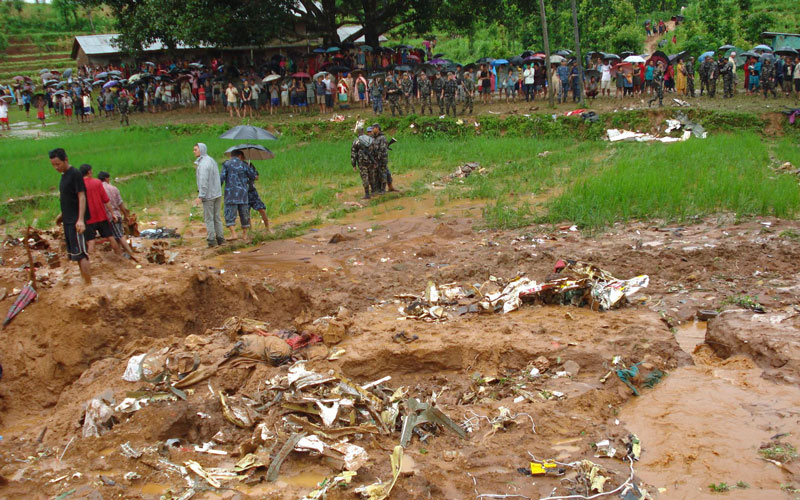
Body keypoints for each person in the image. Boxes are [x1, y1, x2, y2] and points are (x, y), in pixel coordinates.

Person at [50, 148, 91, 284]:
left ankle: (89, 284)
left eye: (58, 164)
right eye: (53, 165)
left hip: (75, 220)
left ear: (66, 160)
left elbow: (81, 196)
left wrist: (80, 219)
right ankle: (84, 280)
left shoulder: (75, 174)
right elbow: (69, 198)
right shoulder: (64, 175)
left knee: (81, 253)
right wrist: (61, 215)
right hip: (68, 219)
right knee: (76, 254)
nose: (56, 167)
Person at [79, 164, 122, 256]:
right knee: (111, 237)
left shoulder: (79, 185)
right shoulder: (97, 182)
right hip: (101, 216)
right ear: (89, 172)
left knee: (91, 241)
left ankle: (94, 261)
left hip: (88, 218)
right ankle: (120, 257)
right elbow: (106, 200)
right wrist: (112, 213)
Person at [97, 171, 138, 260]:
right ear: (106, 178)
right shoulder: (114, 188)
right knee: (118, 235)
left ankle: (128, 253)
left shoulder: (99, 189)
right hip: (116, 215)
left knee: (118, 236)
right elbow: (120, 204)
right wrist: (126, 214)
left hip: (108, 216)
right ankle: (122, 254)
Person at [193, 143, 225, 248]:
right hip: (217, 193)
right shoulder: (211, 160)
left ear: (201, 150)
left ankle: (211, 240)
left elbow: (203, 181)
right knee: (217, 217)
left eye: (195, 149)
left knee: (209, 218)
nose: (194, 151)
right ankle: (220, 238)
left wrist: (201, 196)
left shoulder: (203, 164)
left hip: (209, 195)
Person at [220, 149, 255, 240]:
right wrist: (248, 165)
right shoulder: (244, 165)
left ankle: (234, 233)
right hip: (243, 195)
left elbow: (222, 178)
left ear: (232, 156)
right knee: (244, 215)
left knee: (230, 215)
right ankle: (244, 235)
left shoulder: (226, 164)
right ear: (240, 156)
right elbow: (252, 176)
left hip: (231, 194)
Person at [351, 125, 376, 199]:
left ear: (357, 132)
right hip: (371, 161)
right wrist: (374, 161)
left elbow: (353, 153)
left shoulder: (356, 141)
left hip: (362, 162)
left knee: (364, 176)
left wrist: (354, 164)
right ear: (363, 131)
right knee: (371, 175)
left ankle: (367, 194)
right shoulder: (370, 139)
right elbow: (374, 150)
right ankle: (374, 191)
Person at [243, 158, 269, 230]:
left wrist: (250, 173)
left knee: (261, 208)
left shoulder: (249, 165)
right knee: (246, 213)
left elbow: (256, 177)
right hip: (243, 193)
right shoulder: (237, 167)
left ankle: (267, 228)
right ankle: (250, 231)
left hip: (252, 191)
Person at [371, 123, 395, 192]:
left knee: (383, 173)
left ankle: (383, 189)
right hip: (375, 159)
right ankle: (377, 189)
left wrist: (377, 159)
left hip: (382, 159)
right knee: (376, 174)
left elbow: (382, 149)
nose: (372, 129)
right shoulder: (373, 137)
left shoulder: (382, 138)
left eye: (373, 128)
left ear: (377, 128)